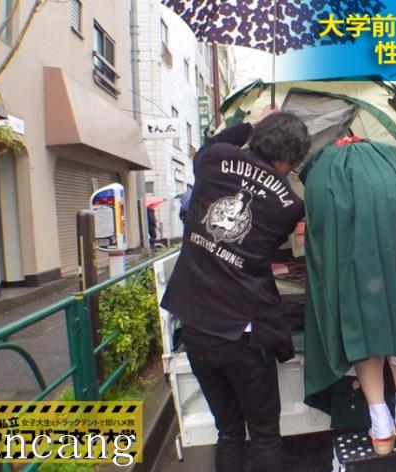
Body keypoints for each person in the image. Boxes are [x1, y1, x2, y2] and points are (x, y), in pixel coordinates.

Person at [160, 109, 311, 472]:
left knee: (228, 431)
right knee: (264, 434)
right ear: (289, 159)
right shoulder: (290, 205)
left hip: (195, 327)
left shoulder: (213, 160)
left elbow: (212, 144)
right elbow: (264, 246)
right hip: (241, 333)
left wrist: (251, 124)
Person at [301, 139, 396, 455]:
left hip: (349, 269)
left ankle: (380, 424)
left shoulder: (322, 172)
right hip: (394, 257)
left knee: (361, 332)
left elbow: (316, 237)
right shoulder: (392, 164)